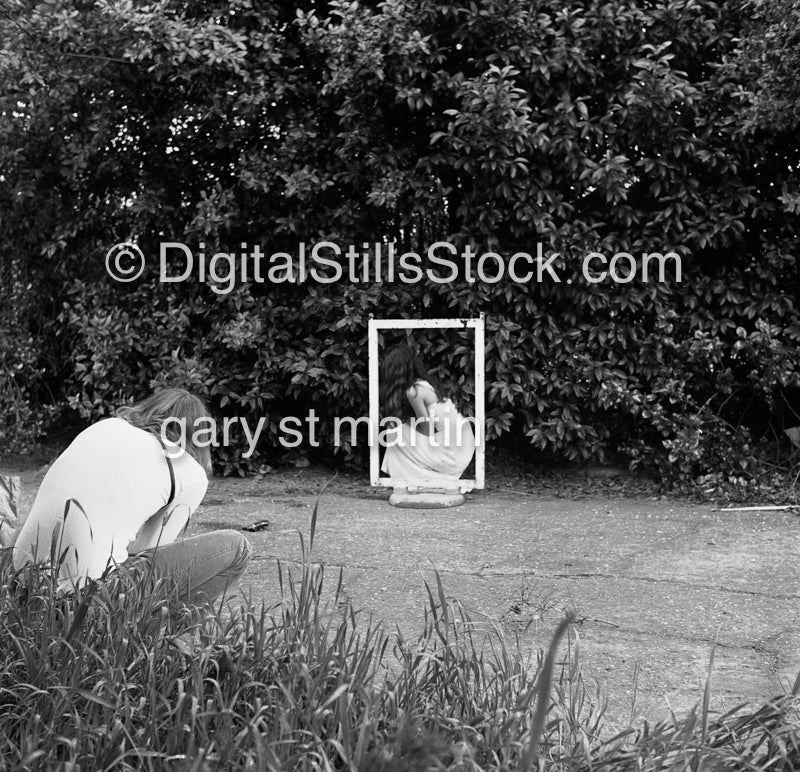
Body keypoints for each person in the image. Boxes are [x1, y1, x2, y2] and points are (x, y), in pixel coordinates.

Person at [12, 388, 251, 604]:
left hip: (20, 583)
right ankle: (161, 636)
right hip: (82, 600)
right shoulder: (190, 471)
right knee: (238, 547)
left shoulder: (104, 427)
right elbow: (147, 551)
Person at [379, 343, 475, 482]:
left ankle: (413, 480)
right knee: (400, 429)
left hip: (452, 454)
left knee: (393, 431)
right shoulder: (424, 383)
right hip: (463, 446)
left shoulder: (414, 391)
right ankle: (420, 478)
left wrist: (406, 425)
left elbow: (427, 431)